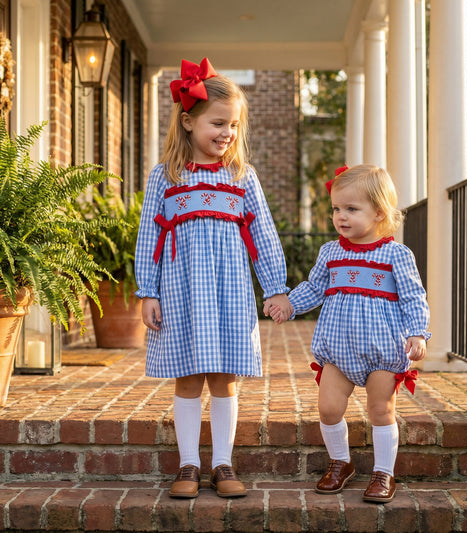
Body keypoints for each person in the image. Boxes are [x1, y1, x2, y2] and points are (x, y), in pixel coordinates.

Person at [135, 58, 292, 500]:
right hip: (181, 292)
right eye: (218, 122)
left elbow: (263, 234)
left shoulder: (242, 179)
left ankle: (222, 462)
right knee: (187, 378)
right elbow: (150, 237)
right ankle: (188, 463)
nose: (227, 133)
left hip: (230, 294)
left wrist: (275, 286)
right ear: (188, 121)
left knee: (225, 378)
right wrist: (147, 291)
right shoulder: (165, 179)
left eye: (234, 125)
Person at [269, 164, 431, 503]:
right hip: (338, 349)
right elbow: (314, 288)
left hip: (382, 351)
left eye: (351, 209)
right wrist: (289, 304)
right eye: (336, 209)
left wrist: (418, 334)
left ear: (379, 212)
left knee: (380, 410)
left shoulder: (396, 255)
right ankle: (341, 462)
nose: (340, 216)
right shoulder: (331, 252)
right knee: (328, 408)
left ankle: (384, 472)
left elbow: (414, 296)